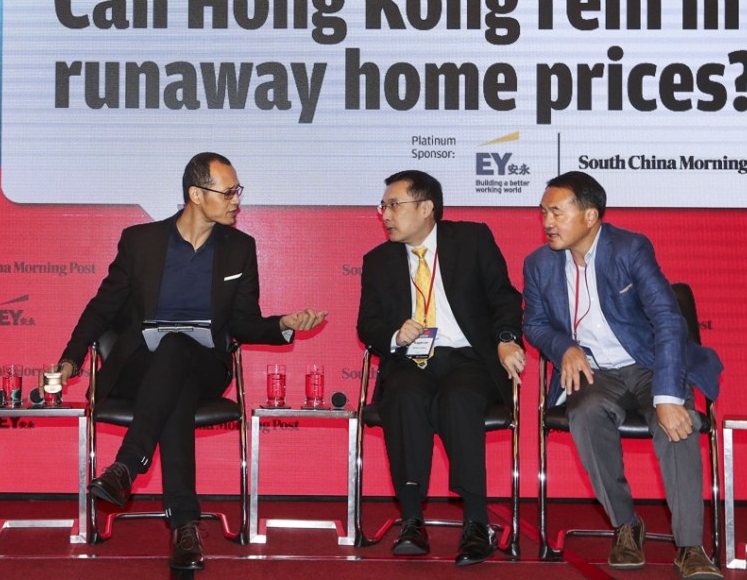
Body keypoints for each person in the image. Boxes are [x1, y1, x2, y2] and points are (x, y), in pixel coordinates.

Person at [57, 152, 326, 572]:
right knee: (172, 376)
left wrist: (284, 324)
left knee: (179, 350)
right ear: (196, 195)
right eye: (229, 191)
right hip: (139, 367)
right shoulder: (140, 241)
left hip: (204, 366)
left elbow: (243, 323)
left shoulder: (240, 248)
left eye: (238, 191)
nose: (237, 199)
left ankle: (128, 464)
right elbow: (102, 309)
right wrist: (71, 359)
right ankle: (185, 523)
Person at [523, 171, 722, 580]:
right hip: (595, 371)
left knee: (677, 426)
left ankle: (689, 546)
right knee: (585, 413)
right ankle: (626, 525)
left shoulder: (629, 249)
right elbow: (535, 324)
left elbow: (668, 318)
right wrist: (565, 348)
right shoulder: (539, 264)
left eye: (557, 212)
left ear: (591, 215)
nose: (547, 221)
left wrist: (667, 396)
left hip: (650, 364)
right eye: (543, 212)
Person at [356, 170, 524, 567]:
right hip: (411, 359)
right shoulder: (378, 261)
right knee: (404, 398)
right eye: (384, 206)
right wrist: (397, 333)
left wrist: (504, 338)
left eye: (394, 205)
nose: (386, 214)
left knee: (458, 399)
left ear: (427, 208)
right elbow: (368, 326)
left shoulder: (471, 240)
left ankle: (477, 521)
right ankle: (412, 518)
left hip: (467, 357)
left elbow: (504, 296)